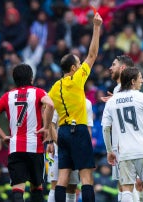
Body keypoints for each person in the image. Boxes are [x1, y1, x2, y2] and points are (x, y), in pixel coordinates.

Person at [47, 12, 102, 202]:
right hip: (78, 129)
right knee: (86, 178)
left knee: (62, 178)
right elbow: (93, 54)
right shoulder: (77, 79)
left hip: (62, 132)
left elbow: (47, 108)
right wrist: (96, 27)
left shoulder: (54, 87)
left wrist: (48, 129)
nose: (81, 66)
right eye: (78, 64)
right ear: (72, 68)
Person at [0, 63, 55, 202]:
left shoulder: (7, 96)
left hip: (15, 147)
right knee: (37, 189)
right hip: (35, 147)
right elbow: (51, 105)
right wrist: (46, 127)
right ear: (31, 78)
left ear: (14, 79)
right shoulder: (38, 92)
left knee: (18, 190)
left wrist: (3, 136)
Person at [102, 67, 143, 202]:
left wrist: (109, 150)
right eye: (140, 78)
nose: (142, 80)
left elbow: (106, 128)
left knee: (126, 188)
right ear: (132, 81)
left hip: (125, 152)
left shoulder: (112, 101)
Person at [100, 54, 134, 201]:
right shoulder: (117, 89)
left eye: (113, 65)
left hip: (128, 142)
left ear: (123, 67)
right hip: (120, 142)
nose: (110, 68)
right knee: (123, 184)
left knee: (130, 184)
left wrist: (114, 101)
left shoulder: (130, 87)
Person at [47, 98, 94, 202]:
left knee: (72, 187)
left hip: (77, 149)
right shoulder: (58, 100)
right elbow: (51, 124)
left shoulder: (86, 102)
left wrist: (86, 149)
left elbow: (88, 128)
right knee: (55, 183)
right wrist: (53, 142)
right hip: (57, 148)